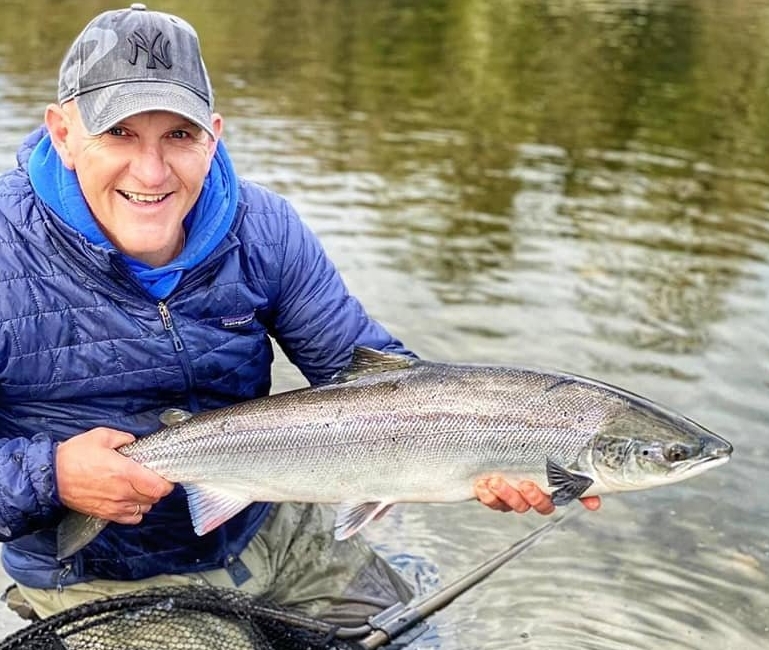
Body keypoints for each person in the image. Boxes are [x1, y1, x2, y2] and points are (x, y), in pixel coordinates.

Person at [0, 3, 599, 629]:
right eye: (119, 133)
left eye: (178, 134)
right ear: (63, 133)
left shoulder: (266, 229)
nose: (151, 171)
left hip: (270, 524)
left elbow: (372, 378)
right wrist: (53, 477)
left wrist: (508, 444)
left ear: (214, 135)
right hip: (97, 578)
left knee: (420, 640)